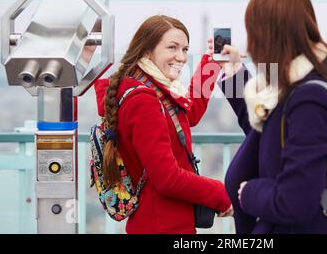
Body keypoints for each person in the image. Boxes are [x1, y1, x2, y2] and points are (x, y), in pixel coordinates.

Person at [211, 0, 327, 234]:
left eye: (253, 32)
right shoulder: (295, 88)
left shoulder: (310, 100)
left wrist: (250, 192)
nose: (250, 46)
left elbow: (296, 201)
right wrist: (233, 74)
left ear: (269, 35)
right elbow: (263, 133)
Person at [94, 15, 232, 234]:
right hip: (163, 225)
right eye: (172, 47)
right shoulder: (144, 101)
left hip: (160, 222)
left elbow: (189, 114)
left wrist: (211, 62)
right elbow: (167, 178)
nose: (181, 57)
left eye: (185, 49)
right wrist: (220, 194)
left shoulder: (151, 88)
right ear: (147, 50)